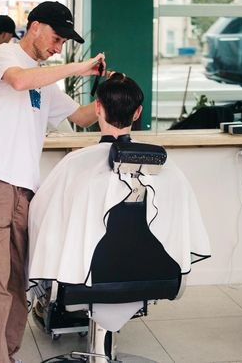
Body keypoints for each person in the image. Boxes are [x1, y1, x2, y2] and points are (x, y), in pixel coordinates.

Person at [0, 1, 106, 363]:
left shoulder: (45, 82)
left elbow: (82, 117)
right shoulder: (6, 55)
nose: (58, 47)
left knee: (17, 284)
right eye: (57, 39)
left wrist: (115, 94)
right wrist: (80, 67)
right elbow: (19, 80)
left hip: (24, 189)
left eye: (63, 43)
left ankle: (3, 353)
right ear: (36, 26)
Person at [28, 72, 211, 330]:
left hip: (84, 279)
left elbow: (37, 219)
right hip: (153, 276)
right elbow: (185, 231)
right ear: (137, 113)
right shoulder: (166, 168)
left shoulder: (76, 165)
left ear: (98, 109)